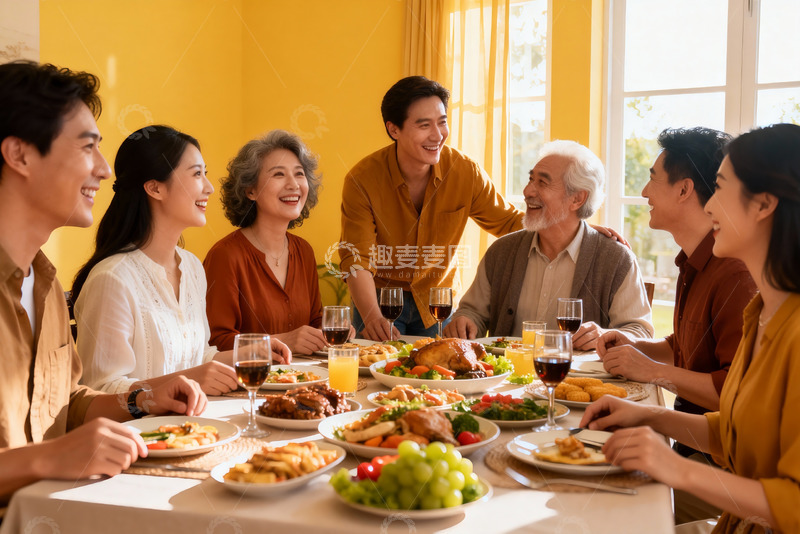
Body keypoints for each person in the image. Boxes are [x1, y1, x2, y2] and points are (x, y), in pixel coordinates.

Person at [0, 61, 206, 505]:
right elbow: (52, 448)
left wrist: (143, 399)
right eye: (87, 148)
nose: (105, 170)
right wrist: (46, 459)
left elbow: (65, 404)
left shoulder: (47, 287)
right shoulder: (109, 276)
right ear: (19, 155)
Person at [581, 123, 800, 533]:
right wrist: (646, 415)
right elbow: (733, 431)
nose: (710, 206)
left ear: (764, 205)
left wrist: (677, 470)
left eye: (719, 188)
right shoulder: (762, 312)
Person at [71, 125, 291, 396]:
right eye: (197, 174)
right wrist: (192, 378)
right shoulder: (112, 279)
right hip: (143, 436)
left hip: (196, 429)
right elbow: (101, 392)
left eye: (205, 174)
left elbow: (198, 359)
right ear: (155, 188)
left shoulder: (191, 267)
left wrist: (249, 353)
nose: (209, 188)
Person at [339, 76, 524, 340]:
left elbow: (510, 223)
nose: (437, 135)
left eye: (442, 122)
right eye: (424, 125)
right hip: (380, 303)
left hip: (437, 303)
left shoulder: (464, 171)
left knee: (437, 378)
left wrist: (570, 229)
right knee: (375, 375)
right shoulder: (362, 180)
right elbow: (357, 260)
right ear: (394, 130)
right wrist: (372, 317)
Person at [596, 128, 756, 418]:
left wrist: (651, 371)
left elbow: (737, 391)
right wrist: (635, 344)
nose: (644, 192)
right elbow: (684, 348)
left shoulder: (735, 274)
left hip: (711, 454)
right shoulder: (692, 261)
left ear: (684, 189)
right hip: (687, 437)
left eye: (652, 179)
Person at [445, 140, 654, 349]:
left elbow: (639, 331)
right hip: (508, 377)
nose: (527, 191)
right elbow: (472, 312)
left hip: (578, 379)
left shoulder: (615, 259)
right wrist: (465, 321)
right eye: (530, 179)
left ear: (577, 199)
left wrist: (605, 334)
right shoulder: (501, 251)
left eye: (542, 183)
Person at [204, 130, 347, 354]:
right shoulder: (226, 255)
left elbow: (314, 320)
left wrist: (328, 331)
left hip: (304, 380)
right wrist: (284, 341)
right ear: (250, 190)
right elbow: (214, 343)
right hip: (246, 385)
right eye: (278, 175)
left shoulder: (303, 250)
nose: (294, 185)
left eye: (299, 174)